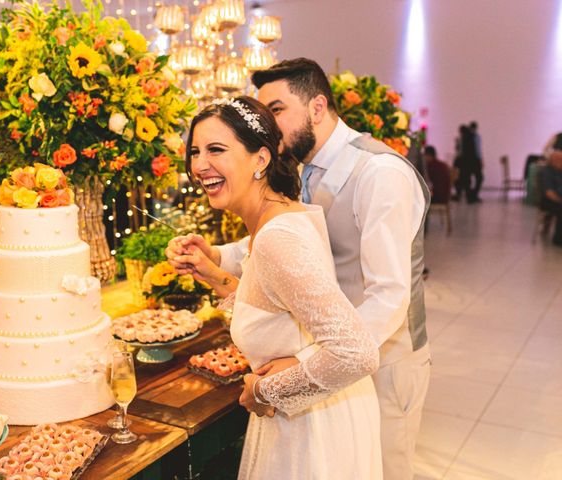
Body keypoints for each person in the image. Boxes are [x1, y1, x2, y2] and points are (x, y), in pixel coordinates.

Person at [168, 58, 431, 480]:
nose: (265, 121)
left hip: (379, 355)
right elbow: (282, 253)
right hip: (327, 354)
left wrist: (300, 366)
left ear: (316, 107)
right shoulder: (306, 174)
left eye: (275, 109)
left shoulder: (379, 173)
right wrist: (217, 259)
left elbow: (388, 296)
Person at [539, 133, 562, 246]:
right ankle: (558, 239)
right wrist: (560, 200)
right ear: (553, 161)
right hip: (550, 200)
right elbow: (549, 193)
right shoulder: (547, 172)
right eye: (559, 161)